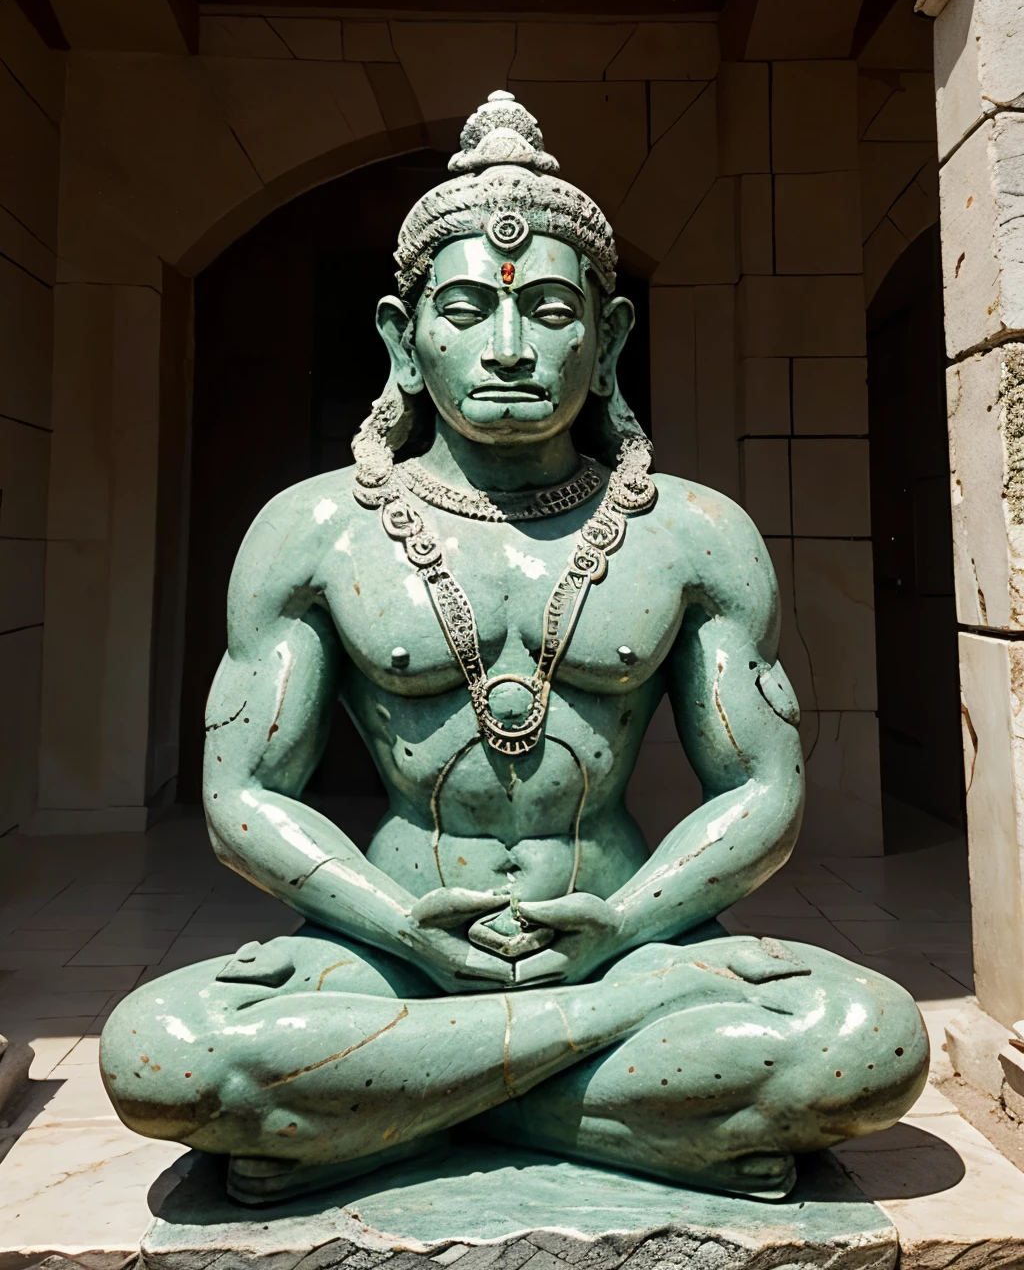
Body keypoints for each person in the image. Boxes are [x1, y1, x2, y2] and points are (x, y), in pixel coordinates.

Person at [101, 92, 927, 1206]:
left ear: (609, 334)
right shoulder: (313, 530)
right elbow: (240, 793)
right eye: (464, 311)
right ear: (403, 336)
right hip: (387, 945)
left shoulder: (691, 533)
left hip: (624, 928)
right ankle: (609, 1089)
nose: (505, 350)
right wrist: (398, 924)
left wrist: (624, 931)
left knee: (865, 1039)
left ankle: (380, 1109)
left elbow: (764, 791)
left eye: (547, 311)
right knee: (160, 1055)